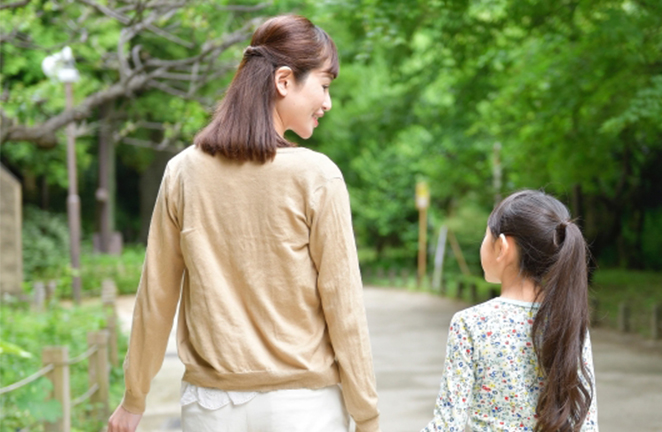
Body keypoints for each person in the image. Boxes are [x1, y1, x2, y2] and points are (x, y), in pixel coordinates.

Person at [107, 14, 381, 432]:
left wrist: (134, 397)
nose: (327, 102)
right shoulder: (317, 176)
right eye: (324, 86)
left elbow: (156, 295)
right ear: (284, 80)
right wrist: (366, 415)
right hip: (304, 408)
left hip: (211, 408)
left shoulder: (183, 172)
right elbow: (343, 307)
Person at [421, 190, 598, 432]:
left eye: (486, 235)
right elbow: (586, 424)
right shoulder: (567, 321)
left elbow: (448, 424)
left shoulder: (471, 323)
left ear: (502, 246)